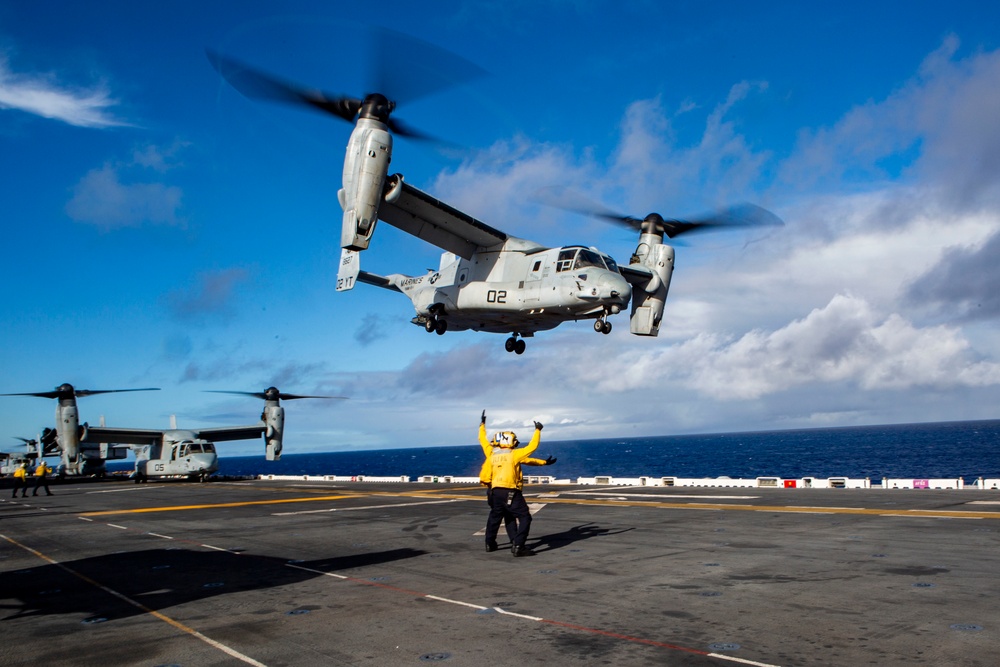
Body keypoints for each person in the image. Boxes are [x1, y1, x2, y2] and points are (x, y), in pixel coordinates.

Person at [479, 410, 554, 557]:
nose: (516, 442)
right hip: (511, 492)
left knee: (498, 517)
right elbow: (531, 448)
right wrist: (538, 430)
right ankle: (519, 546)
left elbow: (482, 440)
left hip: (494, 492)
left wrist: (482, 425)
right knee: (525, 517)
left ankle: (490, 543)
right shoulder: (514, 454)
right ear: (509, 441)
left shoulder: (492, 453)